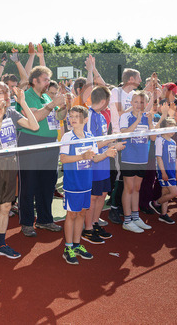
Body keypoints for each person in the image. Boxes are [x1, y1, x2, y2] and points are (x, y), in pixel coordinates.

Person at [0, 82, 38, 263]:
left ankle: (1, 244)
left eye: (7, 92)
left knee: (5, 207)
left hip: (11, 162)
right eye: (1, 92)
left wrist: (23, 102)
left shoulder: (12, 112)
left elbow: (34, 126)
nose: (5, 95)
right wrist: (0, 114)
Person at [59, 106, 117, 265]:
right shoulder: (67, 137)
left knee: (82, 214)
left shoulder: (90, 137)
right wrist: (81, 156)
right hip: (73, 183)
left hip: (86, 183)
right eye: (71, 116)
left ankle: (77, 244)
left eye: (76, 116)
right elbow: (63, 159)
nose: (72, 119)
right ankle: (68, 247)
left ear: (85, 120)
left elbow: (95, 158)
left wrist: (106, 154)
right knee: (71, 214)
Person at [17, 66, 67, 237]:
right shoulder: (26, 96)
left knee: (47, 184)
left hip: (50, 144)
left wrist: (64, 106)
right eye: (45, 79)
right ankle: (27, 222)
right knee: (28, 185)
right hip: (31, 143)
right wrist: (53, 104)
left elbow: (59, 117)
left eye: (48, 79)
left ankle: (45, 219)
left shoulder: (45, 96)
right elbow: (35, 118)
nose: (48, 82)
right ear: (35, 80)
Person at [81, 86, 124, 244]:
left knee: (103, 194)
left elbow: (102, 141)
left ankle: (95, 223)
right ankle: (87, 229)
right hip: (94, 164)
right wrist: (111, 141)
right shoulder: (89, 116)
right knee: (93, 197)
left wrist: (112, 144)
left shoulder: (101, 116)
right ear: (104, 101)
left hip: (104, 162)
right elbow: (91, 145)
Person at [107, 68, 142, 225]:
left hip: (131, 137)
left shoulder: (133, 94)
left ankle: (122, 206)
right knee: (120, 175)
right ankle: (114, 208)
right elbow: (120, 112)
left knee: (128, 176)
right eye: (139, 77)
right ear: (131, 79)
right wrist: (134, 107)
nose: (140, 80)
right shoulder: (116, 91)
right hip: (118, 135)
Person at [119, 91, 156, 233]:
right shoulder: (125, 116)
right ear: (131, 103)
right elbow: (124, 134)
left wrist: (150, 122)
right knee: (128, 188)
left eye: (142, 102)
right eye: (136, 102)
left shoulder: (148, 117)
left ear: (146, 104)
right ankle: (127, 220)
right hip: (129, 158)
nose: (139, 105)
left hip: (142, 158)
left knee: (136, 188)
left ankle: (135, 217)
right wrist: (137, 121)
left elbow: (153, 138)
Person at [149, 117, 177, 224]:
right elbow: (159, 157)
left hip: (172, 171)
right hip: (164, 171)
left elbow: (175, 158)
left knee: (165, 192)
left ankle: (163, 214)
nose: (173, 131)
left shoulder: (173, 142)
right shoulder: (159, 140)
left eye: (174, 129)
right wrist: (163, 172)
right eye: (170, 128)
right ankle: (155, 203)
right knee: (174, 193)